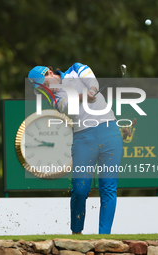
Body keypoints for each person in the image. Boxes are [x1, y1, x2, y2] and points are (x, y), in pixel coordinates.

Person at [28, 63, 123, 234]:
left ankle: (104, 238)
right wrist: (83, 96)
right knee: (80, 189)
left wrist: (92, 90)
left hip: (109, 132)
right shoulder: (54, 99)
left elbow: (91, 81)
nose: (48, 90)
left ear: (50, 73)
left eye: (46, 85)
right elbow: (67, 108)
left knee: (108, 187)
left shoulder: (76, 69)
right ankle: (77, 234)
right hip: (83, 138)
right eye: (43, 90)